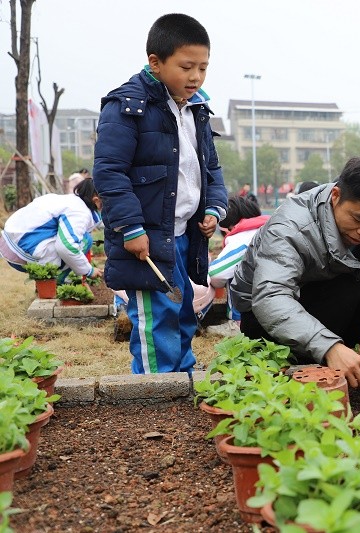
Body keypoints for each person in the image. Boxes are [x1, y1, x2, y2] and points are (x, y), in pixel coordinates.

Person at [93, 13, 227, 375]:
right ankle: (158, 393)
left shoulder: (197, 108)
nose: (196, 77)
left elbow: (211, 168)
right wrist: (132, 229)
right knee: (157, 321)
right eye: (186, 67)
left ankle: (183, 380)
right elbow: (109, 172)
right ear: (156, 62)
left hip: (185, 235)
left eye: (203, 67)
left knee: (184, 312)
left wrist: (214, 206)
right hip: (147, 241)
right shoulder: (127, 108)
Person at [230, 157, 360, 388]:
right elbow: (271, 297)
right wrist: (329, 346)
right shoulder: (291, 226)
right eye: (358, 219)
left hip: (328, 307)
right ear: (336, 196)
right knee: (345, 289)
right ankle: (319, 361)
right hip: (263, 319)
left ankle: (345, 359)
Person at [0, 178, 103, 281]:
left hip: (9, 243)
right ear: (96, 200)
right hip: (22, 253)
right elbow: (67, 246)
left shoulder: (67, 201)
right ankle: (57, 282)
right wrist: (89, 270)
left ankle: (47, 286)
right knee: (85, 240)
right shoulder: (80, 212)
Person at [208, 195, 269, 320]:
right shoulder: (269, 227)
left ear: (230, 227)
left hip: (251, 315)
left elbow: (216, 274)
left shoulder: (243, 238)